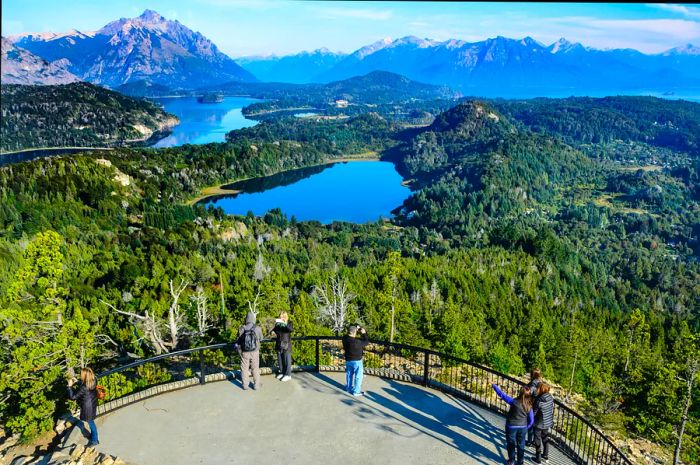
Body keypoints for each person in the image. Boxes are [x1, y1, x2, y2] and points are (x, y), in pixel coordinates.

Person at [492, 384, 534, 465]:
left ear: (520, 393)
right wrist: (526, 427)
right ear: (529, 395)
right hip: (523, 427)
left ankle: (511, 461)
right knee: (521, 445)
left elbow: (502, 395)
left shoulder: (514, 402)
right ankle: (520, 462)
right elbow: (532, 420)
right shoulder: (529, 406)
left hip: (511, 426)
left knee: (511, 444)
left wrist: (495, 386)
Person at [67, 367, 99, 446]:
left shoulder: (84, 387)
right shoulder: (94, 380)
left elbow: (73, 397)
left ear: (85, 376)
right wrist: (77, 382)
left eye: (81, 374)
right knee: (91, 421)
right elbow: (84, 385)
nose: (80, 375)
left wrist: (69, 386)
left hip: (87, 407)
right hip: (92, 403)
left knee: (91, 422)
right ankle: (93, 436)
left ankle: (95, 440)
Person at [237, 311, 263, 390]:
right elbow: (261, 338)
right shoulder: (257, 328)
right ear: (253, 319)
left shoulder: (242, 328)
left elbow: (238, 340)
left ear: (246, 319)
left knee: (244, 368)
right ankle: (256, 385)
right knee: (255, 368)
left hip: (244, 351)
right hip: (255, 351)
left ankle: (245, 385)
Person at [342, 325, 369, 396]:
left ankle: (349, 388)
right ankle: (356, 391)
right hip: (357, 361)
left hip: (348, 360)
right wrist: (364, 333)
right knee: (358, 376)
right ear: (355, 332)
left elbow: (348, 335)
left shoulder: (344, 338)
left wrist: (355, 329)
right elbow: (366, 342)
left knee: (349, 374)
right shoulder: (357, 342)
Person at [533, 382, 554, 464]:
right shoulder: (550, 398)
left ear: (541, 389)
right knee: (545, 438)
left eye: (538, 388)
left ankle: (538, 458)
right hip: (547, 422)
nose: (536, 390)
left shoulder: (538, 400)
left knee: (537, 439)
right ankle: (545, 455)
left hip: (539, 423)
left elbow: (534, 412)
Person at [272, 311, 293, 382]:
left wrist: (285, 322)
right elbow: (274, 330)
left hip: (286, 344)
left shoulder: (289, 323)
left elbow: (290, 329)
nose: (280, 317)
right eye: (280, 316)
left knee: (287, 359)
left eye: (282, 316)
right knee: (280, 359)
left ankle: (288, 374)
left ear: (285, 316)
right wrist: (273, 330)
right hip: (279, 343)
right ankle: (282, 372)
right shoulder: (278, 324)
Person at [526, 368, 543, 446]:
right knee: (535, 423)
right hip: (540, 405)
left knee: (530, 422)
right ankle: (534, 441)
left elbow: (531, 392)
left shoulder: (533, 383)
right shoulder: (541, 382)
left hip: (533, 404)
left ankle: (529, 441)